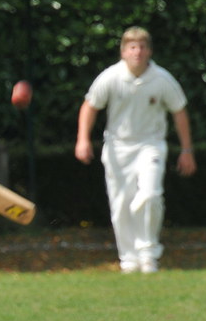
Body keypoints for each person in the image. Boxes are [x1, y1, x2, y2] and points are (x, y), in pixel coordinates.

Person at [75, 26, 197, 274]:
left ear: (149, 51)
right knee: (121, 204)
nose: (137, 52)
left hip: (150, 145)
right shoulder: (111, 77)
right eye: (132, 47)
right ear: (123, 52)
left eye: (142, 47)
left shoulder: (162, 79)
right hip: (117, 147)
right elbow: (90, 106)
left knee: (150, 195)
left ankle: (148, 253)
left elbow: (179, 111)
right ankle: (128, 259)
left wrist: (187, 150)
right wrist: (82, 140)